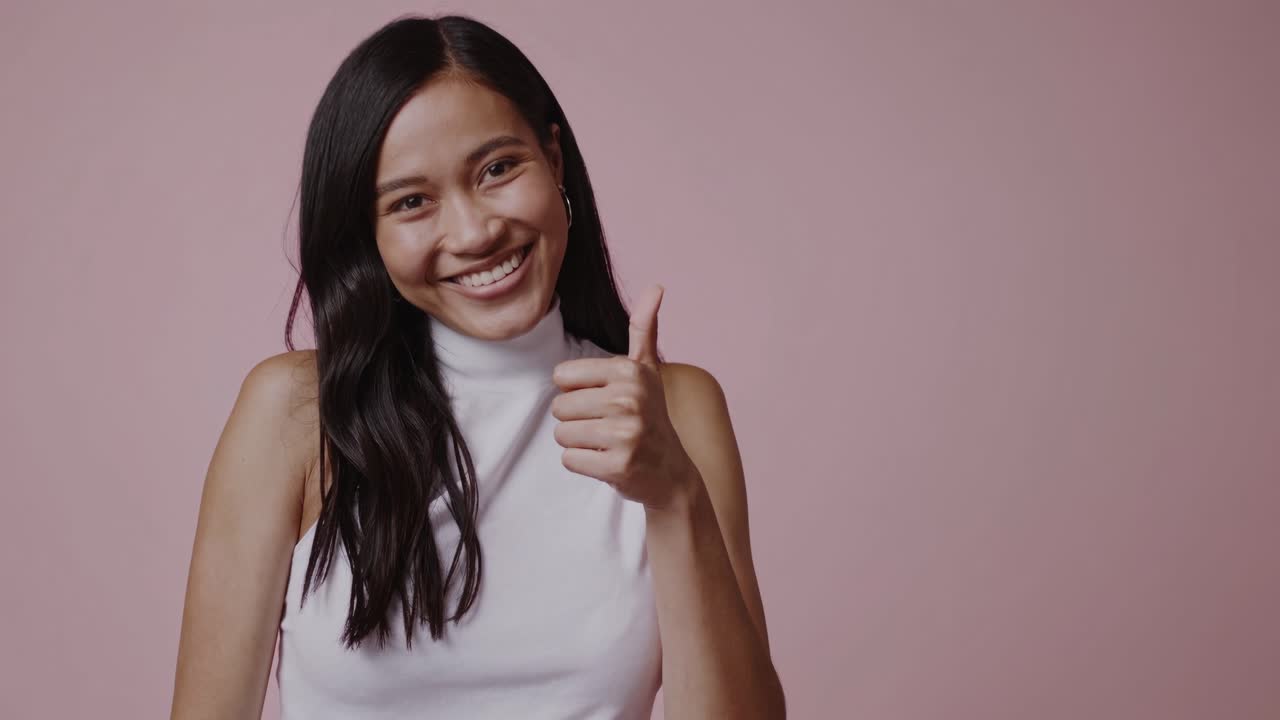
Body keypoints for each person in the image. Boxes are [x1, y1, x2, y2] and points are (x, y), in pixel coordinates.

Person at [170, 13, 784, 719]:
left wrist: (674, 497)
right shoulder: (297, 414)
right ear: (367, 235)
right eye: (411, 202)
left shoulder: (674, 410)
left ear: (554, 162)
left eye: (497, 169)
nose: (474, 232)